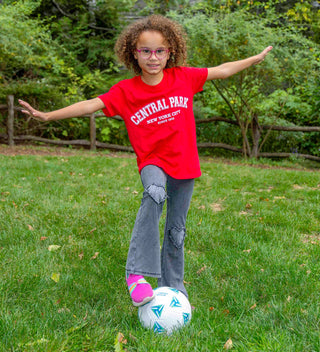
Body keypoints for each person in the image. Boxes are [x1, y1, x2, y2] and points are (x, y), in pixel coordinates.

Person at [19, 14, 272, 307]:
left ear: (170, 52)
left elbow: (224, 70)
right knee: (154, 193)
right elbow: (92, 104)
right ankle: (136, 274)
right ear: (133, 53)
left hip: (185, 164)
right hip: (153, 161)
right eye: (146, 51)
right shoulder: (126, 91)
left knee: (176, 230)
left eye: (160, 50)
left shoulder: (184, 78)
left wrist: (254, 58)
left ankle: (173, 286)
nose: (153, 57)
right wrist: (48, 115)